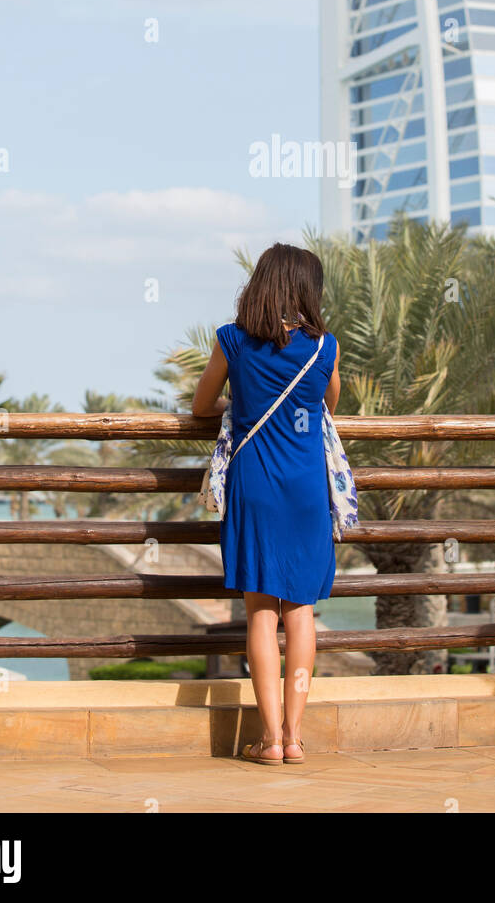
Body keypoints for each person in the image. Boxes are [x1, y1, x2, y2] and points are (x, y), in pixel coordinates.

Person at [191, 242, 340, 765]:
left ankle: (269, 739)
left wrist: (241, 401)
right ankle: (296, 739)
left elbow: (201, 405)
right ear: (306, 291)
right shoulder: (325, 348)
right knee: (300, 613)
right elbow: (328, 402)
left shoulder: (232, 341)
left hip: (255, 485)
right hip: (306, 489)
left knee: (260, 616)